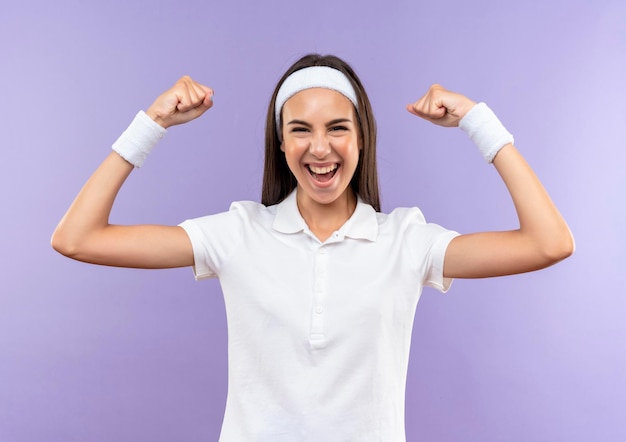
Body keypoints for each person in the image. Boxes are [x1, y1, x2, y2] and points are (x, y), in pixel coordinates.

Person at [51, 53, 574, 441]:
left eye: (337, 129)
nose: (319, 148)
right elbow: (77, 238)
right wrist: (153, 123)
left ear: (361, 138)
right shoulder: (239, 233)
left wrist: (477, 122)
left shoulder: (405, 241)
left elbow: (549, 243)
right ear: (280, 144)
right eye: (300, 130)